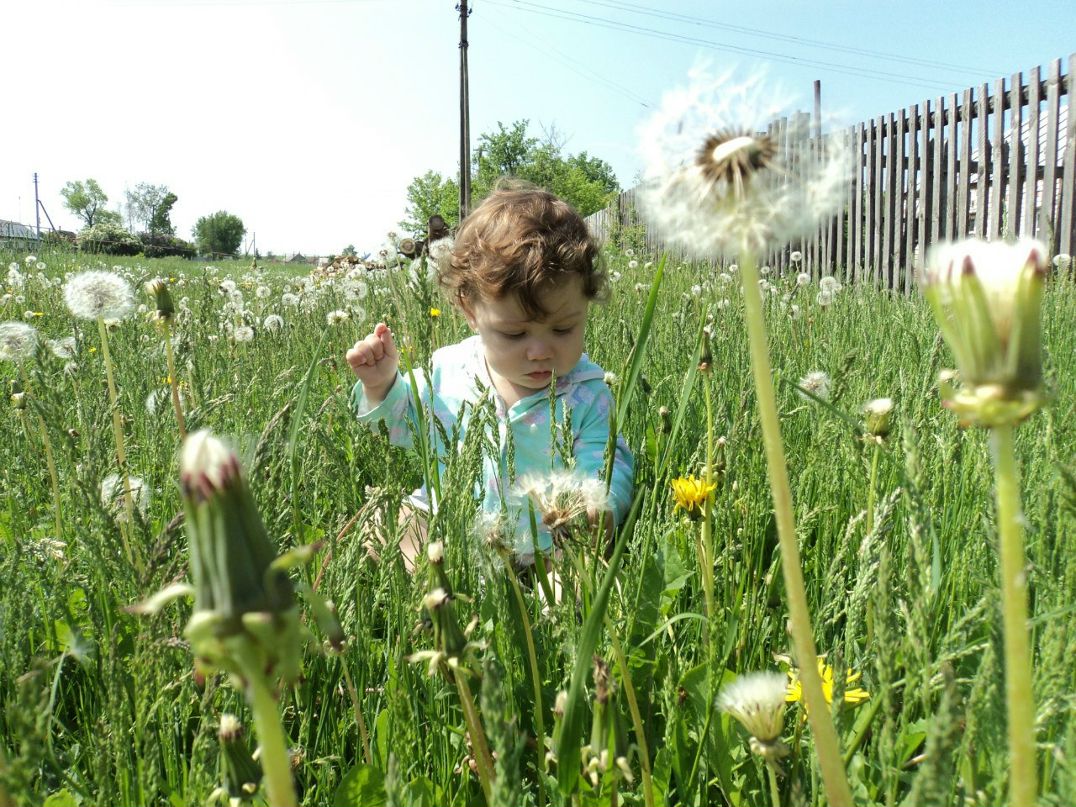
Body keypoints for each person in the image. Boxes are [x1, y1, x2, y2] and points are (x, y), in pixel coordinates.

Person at [345, 185, 634, 571]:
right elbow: (404, 417)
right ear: (470, 310)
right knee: (385, 521)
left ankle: (548, 607)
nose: (539, 351)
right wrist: (381, 384)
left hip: (545, 542)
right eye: (515, 334)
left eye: (563, 329)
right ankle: (436, 591)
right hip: (452, 525)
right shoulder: (450, 370)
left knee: (581, 567)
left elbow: (606, 461)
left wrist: (599, 506)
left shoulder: (587, 394)